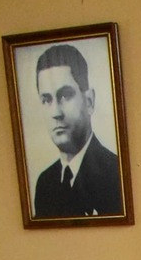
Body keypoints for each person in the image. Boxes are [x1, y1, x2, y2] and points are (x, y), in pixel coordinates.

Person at [32, 44, 123, 219]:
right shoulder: (45, 183)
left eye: (65, 96)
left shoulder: (115, 174)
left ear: (89, 101)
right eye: (47, 100)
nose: (56, 113)